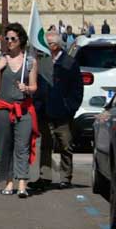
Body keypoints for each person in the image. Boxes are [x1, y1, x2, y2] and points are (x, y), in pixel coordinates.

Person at [0, 23, 40, 198]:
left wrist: (27, 89)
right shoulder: (0, 60)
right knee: (5, 146)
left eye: (13, 39)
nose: (9, 42)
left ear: (20, 40)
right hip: (3, 109)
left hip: (23, 110)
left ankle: (22, 183)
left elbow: (34, 87)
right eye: (6, 38)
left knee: (22, 146)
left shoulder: (30, 62)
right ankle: (9, 182)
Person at [38, 30, 83, 188]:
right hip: (45, 111)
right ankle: (45, 177)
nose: (48, 46)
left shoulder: (69, 62)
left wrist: (70, 108)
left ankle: (65, 177)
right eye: (47, 44)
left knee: (65, 145)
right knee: (45, 145)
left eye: (50, 44)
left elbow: (77, 89)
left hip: (63, 113)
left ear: (57, 45)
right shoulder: (42, 62)